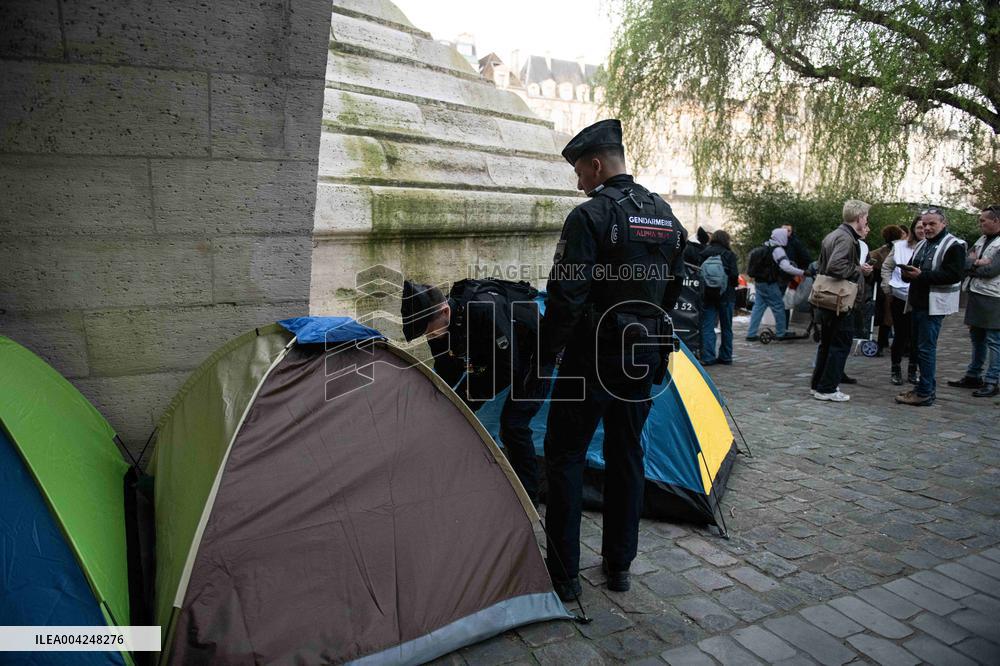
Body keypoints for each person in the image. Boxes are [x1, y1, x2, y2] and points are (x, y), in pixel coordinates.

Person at [538, 119, 685, 601]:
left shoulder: (589, 217)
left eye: (580, 172)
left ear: (597, 165)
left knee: (565, 457)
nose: (579, 183)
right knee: (628, 456)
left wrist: (543, 355)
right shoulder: (666, 216)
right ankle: (619, 565)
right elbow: (674, 291)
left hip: (591, 359)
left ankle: (563, 575)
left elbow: (566, 297)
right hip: (644, 359)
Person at [400, 278, 546, 503]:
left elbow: (508, 369)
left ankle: (528, 499)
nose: (429, 337)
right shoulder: (439, 324)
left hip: (536, 352)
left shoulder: (484, 308)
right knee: (455, 412)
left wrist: (467, 401)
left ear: (445, 310)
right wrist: (443, 405)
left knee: (513, 425)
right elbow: (447, 369)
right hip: (503, 354)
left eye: (429, 331)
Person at [895, 207, 966, 406]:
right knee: (919, 349)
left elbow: (954, 275)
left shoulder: (954, 245)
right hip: (917, 302)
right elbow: (911, 268)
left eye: (932, 224)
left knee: (926, 349)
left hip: (933, 304)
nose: (926, 228)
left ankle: (925, 392)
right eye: (924, 224)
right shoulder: (922, 244)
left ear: (943, 224)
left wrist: (921, 276)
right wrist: (906, 273)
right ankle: (923, 388)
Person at [811, 200, 874, 402]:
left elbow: (823, 265)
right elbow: (835, 267)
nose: (866, 221)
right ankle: (828, 388)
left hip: (828, 298)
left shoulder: (834, 235)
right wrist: (860, 269)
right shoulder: (846, 239)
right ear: (858, 218)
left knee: (827, 344)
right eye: (865, 217)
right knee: (839, 344)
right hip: (840, 300)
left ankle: (818, 385)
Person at [947, 205, 1000, 398]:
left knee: (994, 340)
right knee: (976, 338)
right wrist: (976, 263)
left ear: (995, 220)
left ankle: (992, 381)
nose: (980, 224)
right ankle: (973, 375)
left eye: (983, 220)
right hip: (977, 293)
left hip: (994, 296)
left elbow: (992, 271)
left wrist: (973, 264)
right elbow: (964, 261)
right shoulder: (982, 239)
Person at [881, 216, 925, 385]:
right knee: (901, 334)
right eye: (919, 227)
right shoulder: (900, 246)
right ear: (913, 229)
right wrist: (887, 288)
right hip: (900, 295)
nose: (922, 230)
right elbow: (887, 267)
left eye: (926, 226)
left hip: (921, 297)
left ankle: (913, 369)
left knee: (917, 336)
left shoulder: (931, 248)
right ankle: (896, 368)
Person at [746, 228, 805, 341]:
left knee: (758, 307)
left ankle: (751, 333)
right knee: (779, 306)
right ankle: (781, 332)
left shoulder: (765, 246)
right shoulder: (777, 250)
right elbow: (785, 266)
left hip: (759, 282)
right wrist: (802, 272)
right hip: (769, 283)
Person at [699, 229, 739, 365]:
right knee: (726, 327)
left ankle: (708, 357)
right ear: (726, 240)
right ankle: (726, 356)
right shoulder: (729, 255)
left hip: (708, 296)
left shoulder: (704, 253)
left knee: (708, 326)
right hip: (727, 296)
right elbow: (734, 277)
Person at [867, 225, 907, 356]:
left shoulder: (881, 251)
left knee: (888, 317)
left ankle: (883, 343)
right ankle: (898, 345)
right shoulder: (898, 249)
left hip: (884, 287)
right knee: (892, 317)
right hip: (891, 287)